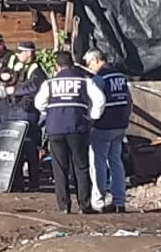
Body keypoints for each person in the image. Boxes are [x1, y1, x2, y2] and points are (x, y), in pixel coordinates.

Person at [34, 50, 106, 214]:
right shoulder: (84, 80)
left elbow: (39, 103)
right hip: (77, 128)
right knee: (81, 166)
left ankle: (64, 206)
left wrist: (50, 112)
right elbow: (100, 99)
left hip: (55, 129)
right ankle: (84, 205)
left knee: (60, 168)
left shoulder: (49, 83)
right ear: (72, 64)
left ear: (57, 66)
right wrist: (92, 117)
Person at [84, 49, 132, 213]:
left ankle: (98, 201)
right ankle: (120, 201)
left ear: (97, 60)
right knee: (116, 162)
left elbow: (96, 101)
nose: (88, 67)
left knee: (98, 163)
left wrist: (91, 121)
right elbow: (129, 100)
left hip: (103, 125)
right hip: (120, 125)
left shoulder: (99, 78)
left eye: (89, 63)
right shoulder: (120, 77)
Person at [7, 41, 48, 191]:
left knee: (30, 149)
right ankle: (17, 183)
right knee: (15, 149)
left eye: (20, 52)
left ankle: (33, 183)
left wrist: (15, 90)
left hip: (28, 112)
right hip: (14, 110)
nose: (17, 55)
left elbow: (36, 86)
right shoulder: (18, 67)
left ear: (28, 53)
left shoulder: (37, 70)